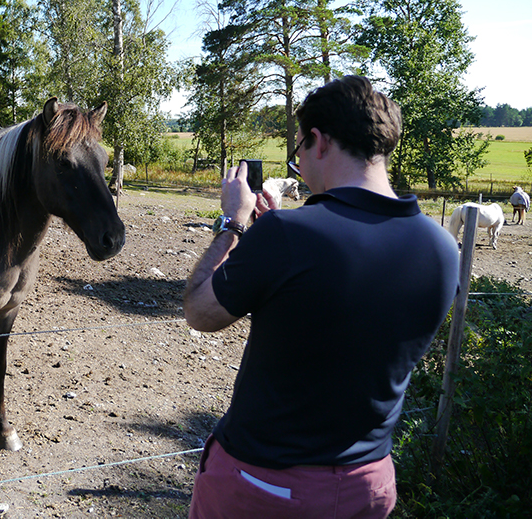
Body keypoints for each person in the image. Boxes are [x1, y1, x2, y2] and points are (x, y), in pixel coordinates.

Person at [184, 75, 459, 518]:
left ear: (319, 141)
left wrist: (233, 225)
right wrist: (274, 240)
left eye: (298, 151)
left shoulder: (288, 235)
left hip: (264, 485)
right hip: (368, 485)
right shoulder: (441, 248)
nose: (299, 164)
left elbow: (200, 310)